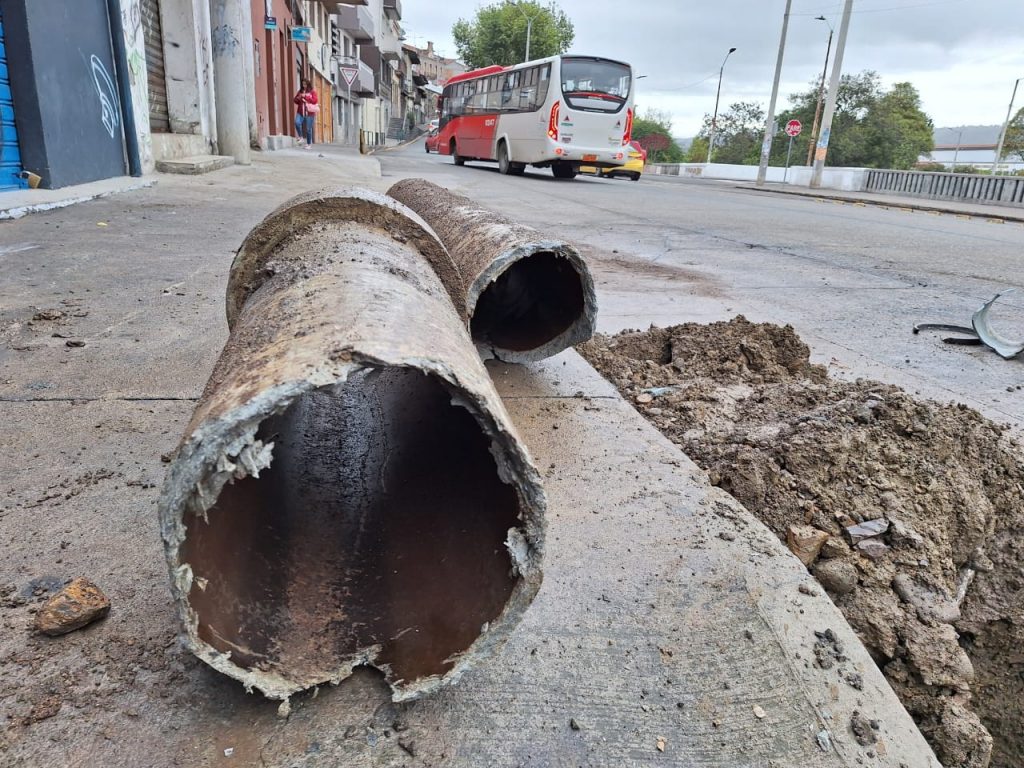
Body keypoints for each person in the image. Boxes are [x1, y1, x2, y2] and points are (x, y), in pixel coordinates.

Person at [293, 79, 318, 149]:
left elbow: (315, 101)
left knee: (308, 129)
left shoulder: (312, 92)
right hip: (300, 111)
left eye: (305, 84)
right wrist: (299, 97)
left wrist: (305, 97)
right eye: (303, 84)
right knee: (297, 122)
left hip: (309, 112)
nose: (304, 86)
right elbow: (295, 100)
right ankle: (301, 137)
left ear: (308, 84)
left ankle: (309, 144)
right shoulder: (300, 91)